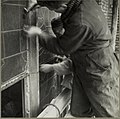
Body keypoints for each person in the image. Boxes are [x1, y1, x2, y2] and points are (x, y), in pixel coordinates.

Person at [24, 0, 119, 117]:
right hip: (86, 64)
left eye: (54, 10)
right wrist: (40, 2)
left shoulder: (80, 22)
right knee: (80, 110)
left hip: (98, 67)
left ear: (64, 5)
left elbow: (61, 47)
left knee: (107, 111)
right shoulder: (82, 2)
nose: (54, 12)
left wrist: (39, 33)